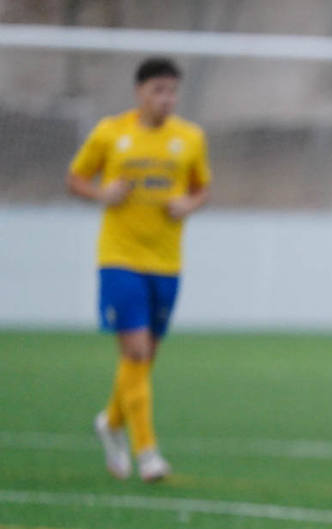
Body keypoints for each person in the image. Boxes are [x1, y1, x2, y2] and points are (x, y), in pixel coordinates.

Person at [68, 57, 211, 482]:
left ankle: (111, 423)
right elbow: (76, 179)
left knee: (145, 359)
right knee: (135, 351)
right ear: (140, 92)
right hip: (119, 258)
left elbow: (202, 189)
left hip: (166, 262)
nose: (167, 99)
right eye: (159, 91)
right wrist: (101, 194)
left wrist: (188, 204)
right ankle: (147, 452)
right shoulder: (112, 133)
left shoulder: (189, 138)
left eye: (173, 91)